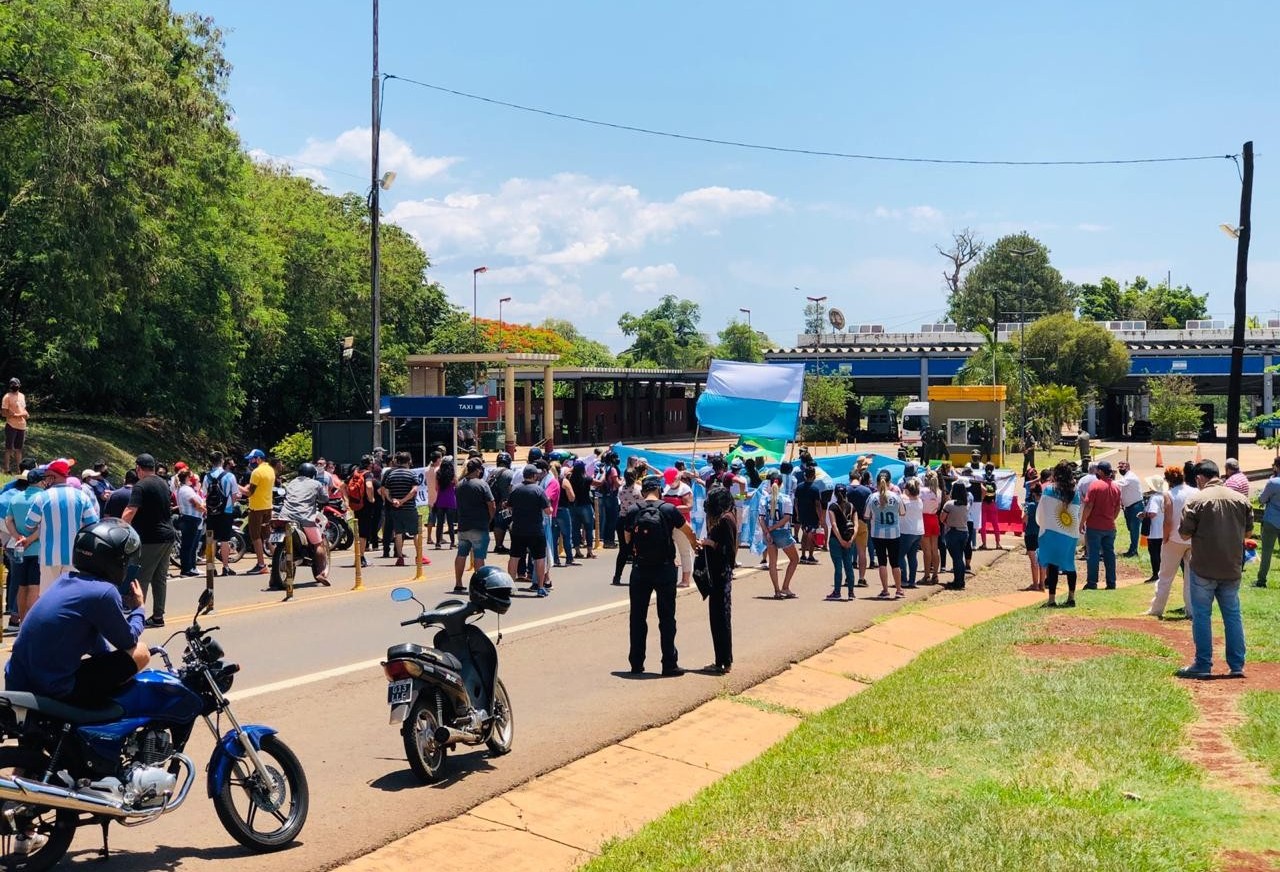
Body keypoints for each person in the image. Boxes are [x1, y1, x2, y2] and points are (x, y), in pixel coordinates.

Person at [1176, 460, 1251, 679]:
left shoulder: (1196, 499)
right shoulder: (1241, 499)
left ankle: (1203, 663)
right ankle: (1237, 665)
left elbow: (1184, 534)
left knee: (1202, 615)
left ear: (1200, 478)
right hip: (1232, 566)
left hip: (1204, 567)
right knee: (1232, 615)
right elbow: (1247, 534)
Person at [621, 475, 696, 676]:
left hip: (640, 569)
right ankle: (669, 663)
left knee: (637, 617)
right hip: (664, 568)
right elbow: (688, 531)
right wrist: (695, 546)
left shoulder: (634, 510)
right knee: (667, 618)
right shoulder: (668, 509)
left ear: (643, 492)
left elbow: (628, 537)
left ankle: (636, 663)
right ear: (659, 490)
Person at [17, 459, 100, 595]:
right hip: (75, 556)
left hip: (49, 557)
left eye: (47, 476)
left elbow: (29, 524)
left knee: (48, 596)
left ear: (52, 477)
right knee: (71, 596)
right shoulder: (82, 497)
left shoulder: (42, 497)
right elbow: (92, 524)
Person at [120, 453, 175, 628]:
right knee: (160, 578)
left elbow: (130, 511)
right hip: (167, 536)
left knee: (140, 578)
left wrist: (119, 528)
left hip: (150, 539)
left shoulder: (140, 486)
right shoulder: (163, 483)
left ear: (138, 468)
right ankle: (158, 616)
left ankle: (137, 617)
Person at [699, 486, 737, 674]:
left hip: (721, 575)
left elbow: (728, 551)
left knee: (721, 618)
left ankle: (724, 660)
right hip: (717, 575)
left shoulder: (725, 520)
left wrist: (710, 543)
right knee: (717, 618)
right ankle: (720, 660)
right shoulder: (725, 518)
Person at [1036, 460, 1083, 607]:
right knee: (1070, 564)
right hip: (1070, 533)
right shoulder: (1075, 493)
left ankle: (1052, 599)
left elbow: (1042, 511)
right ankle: (1071, 597)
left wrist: (1042, 524)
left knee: (1052, 565)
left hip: (1052, 532)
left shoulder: (1049, 490)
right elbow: (1077, 513)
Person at [276, 461, 330, 587]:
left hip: (285, 516)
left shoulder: (291, 483)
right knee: (318, 544)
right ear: (312, 474)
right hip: (305, 518)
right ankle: (321, 573)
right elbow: (324, 499)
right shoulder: (316, 484)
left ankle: (274, 578)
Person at [508, 464, 553, 596]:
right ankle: (540, 587)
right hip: (535, 530)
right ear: (534, 476)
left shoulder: (515, 490)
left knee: (514, 557)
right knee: (539, 558)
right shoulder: (538, 491)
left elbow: (509, 507)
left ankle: (510, 586)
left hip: (518, 529)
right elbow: (548, 510)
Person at [454, 457, 495, 594]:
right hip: (479, 525)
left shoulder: (459, 485)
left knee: (461, 554)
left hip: (463, 525)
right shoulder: (482, 484)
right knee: (479, 557)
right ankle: (479, 586)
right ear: (478, 470)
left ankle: (458, 583)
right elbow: (491, 504)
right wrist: (490, 518)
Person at [5, 472, 42, 622]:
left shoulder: (15, 498)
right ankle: (30, 622)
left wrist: (17, 536)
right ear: (42, 481)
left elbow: (8, 520)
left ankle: (22, 619)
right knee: (35, 586)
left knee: (22, 585)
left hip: (19, 548)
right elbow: (43, 525)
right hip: (37, 549)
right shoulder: (43, 498)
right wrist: (30, 539)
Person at [758, 471, 800, 598]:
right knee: (794, 559)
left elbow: (761, 518)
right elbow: (787, 518)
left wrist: (767, 531)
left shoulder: (764, 499)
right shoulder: (786, 498)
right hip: (781, 533)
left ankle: (776, 590)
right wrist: (774, 527)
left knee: (772, 563)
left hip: (768, 534)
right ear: (781, 484)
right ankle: (785, 586)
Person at [1081, 460, 1121, 590]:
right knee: (1109, 554)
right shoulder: (1115, 487)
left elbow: (1088, 506)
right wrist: (1111, 518)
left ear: (1101, 471)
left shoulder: (1095, 486)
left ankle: (1092, 582)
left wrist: (1082, 522)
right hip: (1109, 526)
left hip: (1094, 526)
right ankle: (1111, 582)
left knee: (1093, 554)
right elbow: (1117, 508)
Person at [865, 470, 905, 599]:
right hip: (894, 533)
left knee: (882, 562)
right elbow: (903, 512)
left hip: (877, 533)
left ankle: (885, 590)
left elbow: (866, 515)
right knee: (895, 563)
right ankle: (899, 589)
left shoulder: (872, 497)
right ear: (889, 482)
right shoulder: (895, 496)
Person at [380, 451, 422, 568]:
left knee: (398, 533)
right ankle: (419, 556)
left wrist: (392, 500)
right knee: (415, 533)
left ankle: (400, 557)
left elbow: (385, 490)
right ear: (409, 461)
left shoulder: (391, 474)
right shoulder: (412, 474)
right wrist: (403, 500)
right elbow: (414, 490)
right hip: (409, 508)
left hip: (395, 508)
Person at [201, 452, 238, 577]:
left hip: (212, 512)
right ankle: (225, 567)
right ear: (222, 461)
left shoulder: (207, 477)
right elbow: (234, 495)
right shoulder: (230, 476)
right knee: (225, 540)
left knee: (211, 540)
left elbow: (204, 493)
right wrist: (229, 506)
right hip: (226, 511)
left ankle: (211, 567)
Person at [824, 483, 858, 601]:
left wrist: (840, 540)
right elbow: (856, 525)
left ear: (835, 493)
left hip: (835, 540)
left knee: (838, 566)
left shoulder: (833, 507)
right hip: (850, 539)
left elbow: (834, 525)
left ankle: (837, 591)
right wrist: (851, 540)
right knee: (849, 565)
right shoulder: (852, 506)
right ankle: (851, 592)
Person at [660, 467, 694, 587]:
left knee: (684, 551)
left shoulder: (685, 489)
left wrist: (672, 509)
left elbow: (689, 506)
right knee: (669, 551)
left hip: (681, 523)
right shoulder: (667, 487)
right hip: (668, 523)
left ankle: (686, 579)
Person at [243, 448, 274, 575]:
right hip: (268, 506)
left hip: (256, 508)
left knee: (255, 536)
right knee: (267, 536)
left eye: (252, 459)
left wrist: (237, 487)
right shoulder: (270, 470)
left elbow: (249, 492)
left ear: (259, 459)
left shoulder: (256, 472)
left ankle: (261, 564)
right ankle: (278, 558)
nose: (250, 461)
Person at [612, 466, 642, 586]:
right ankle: (636, 576)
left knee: (623, 550)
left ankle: (617, 576)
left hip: (622, 519)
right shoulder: (638, 490)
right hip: (635, 520)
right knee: (636, 549)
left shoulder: (621, 489)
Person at [939, 482, 971, 590]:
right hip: (964, 531)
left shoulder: (949, 504)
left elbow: (942, 518)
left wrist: (947, 523)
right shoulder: (966, 504)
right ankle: (960, 580)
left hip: (953, 532)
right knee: (959, 558)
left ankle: (958, 581)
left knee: (956, 558)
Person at [174, 469, 205, 578]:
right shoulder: (186, 490)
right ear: (187, 477)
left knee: (192, 545)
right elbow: (196, 504)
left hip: (192, 519)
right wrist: (204, 509)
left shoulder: (185, 489)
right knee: (188, 545)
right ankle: (186, 569)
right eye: (191, 476)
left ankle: (191, 567)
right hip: (190, 519)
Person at [1257, 456, 1280, 589]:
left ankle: (1261, 580)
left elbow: (1261, 499)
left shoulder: (1273, 482)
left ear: (1276, 466)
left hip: (1271, 519)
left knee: (1267, 552)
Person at [793, 465, 823, 565]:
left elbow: (796, 502)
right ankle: (810, 556)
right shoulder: (815, 489)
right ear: (814, 476)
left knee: (805, 534)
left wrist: (797, 514)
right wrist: (820, 517)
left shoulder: (799, 487)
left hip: (802, 515)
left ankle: (802, 555)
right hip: (812, 516)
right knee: (811, 535)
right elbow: (817, 505)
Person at [488, 452, 516, 555]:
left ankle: (498, 545)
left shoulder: (492, 472)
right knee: (512, 523)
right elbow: (512, 488)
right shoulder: (509, 473)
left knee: (498, 523)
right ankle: (514, 545)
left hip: (495, 503)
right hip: (506, 504)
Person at [1116, 459, 1144, 558]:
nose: (1120, 469)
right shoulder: (1125, 477)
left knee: (1134, 529)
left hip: (1136, 506)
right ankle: (1132, 549)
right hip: (1129, 507)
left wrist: (1109, 480)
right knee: (1130, 528)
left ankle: (1133, 551)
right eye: (1119, 467)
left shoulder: (1130, 477)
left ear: (1128, 467)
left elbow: (1120, 483)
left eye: (1122, 467)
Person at [568, 460, 596, 560]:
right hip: (585, 505)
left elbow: (566, 472)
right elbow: (599, 483)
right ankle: (589, 551)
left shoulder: (570, 479)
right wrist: (604, 474)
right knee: (588, 529)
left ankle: (577, 551)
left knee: (575, 529)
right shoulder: (587, 479)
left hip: (573, 506)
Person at [1141, 474, 1166, 583]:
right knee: (1161, 553)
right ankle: (1161, 573)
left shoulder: (1154, 498)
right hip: (1163, 529)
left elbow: (1152, 513)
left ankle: (1156, 574)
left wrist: (1143, 515)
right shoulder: (1165, 496)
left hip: (1154, 530)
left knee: (1154, 553)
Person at [596, 450, 622, 548]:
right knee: (612, 520)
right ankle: (609, 541)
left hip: (604, 496)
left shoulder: (603, 467)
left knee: (606, 519)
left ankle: (605, 539)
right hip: (612, 497)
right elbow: (617, 483)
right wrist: (622, 480)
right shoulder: (613, 469)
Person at [2, 377, 28, 474]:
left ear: (19, 385)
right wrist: (15, 415)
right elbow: (4, 413)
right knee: (9, 448)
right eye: (12, 385)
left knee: (19, 449)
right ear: (10, 386)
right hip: (11, 425)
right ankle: (7, 469)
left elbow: (24, 410)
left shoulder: (22, 396)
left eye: (16, 385)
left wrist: (24, 414)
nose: (14, 386)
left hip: (22, 426)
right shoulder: (7, 397)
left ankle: (19, 470)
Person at [920, 470, 942, 584]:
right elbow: (938, 507)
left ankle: (927, 575)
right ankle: (935, 575)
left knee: (926, 550)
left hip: (924, 518)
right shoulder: (938, 492)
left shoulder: (922, 491)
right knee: (935, 549)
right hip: (934, 518)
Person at [1022, 480, 1043, 592]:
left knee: (1033, 561)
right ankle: (1042, 584)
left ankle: (1035, 583)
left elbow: (1024, 519)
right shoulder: (1045, 506)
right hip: (1042, 534)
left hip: (1031, 533)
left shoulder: (1030, 506)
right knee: (1042, 560)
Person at [979, 463, 1003, 550]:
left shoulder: (981, 477)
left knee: (983, 525)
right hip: (992, 503)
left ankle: (984, 544)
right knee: (995, 524)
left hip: (984, 503)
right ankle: (998, 544)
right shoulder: (995, 477)